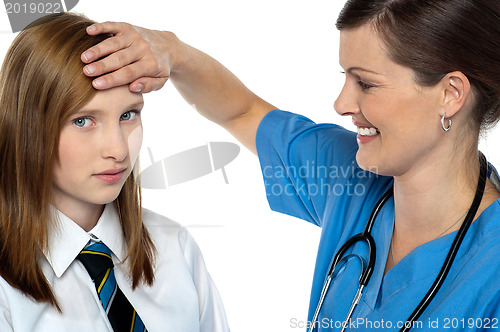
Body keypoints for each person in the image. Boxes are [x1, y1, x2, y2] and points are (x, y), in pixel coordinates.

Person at [80, 0, 500, 330]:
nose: (341, 103)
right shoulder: (346, 176)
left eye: (366, 83)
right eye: (345, 78)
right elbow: (241, 112)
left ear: (450, 94)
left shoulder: (491, 274)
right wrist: (173, 52)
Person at [0, 12, 229, 332]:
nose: (119, 150)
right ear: (26, 128)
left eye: (128, 114)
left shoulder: (175, 247)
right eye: (83, 121)